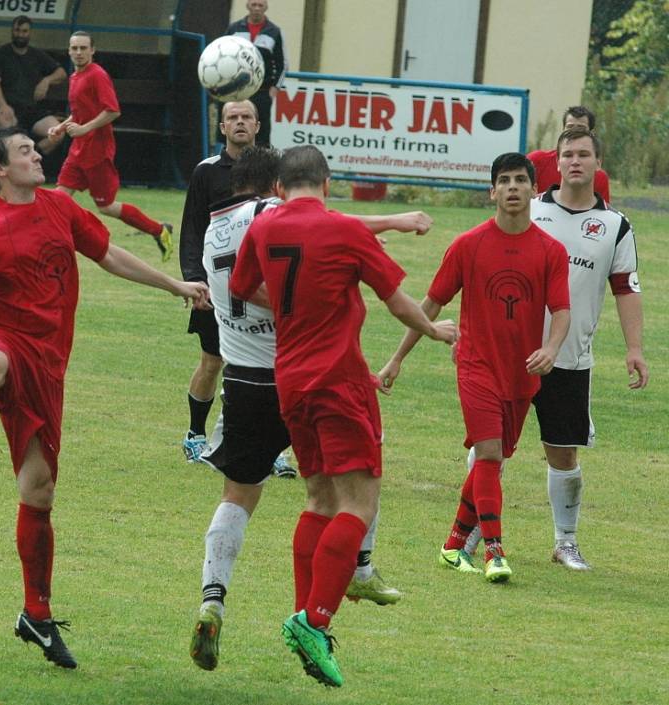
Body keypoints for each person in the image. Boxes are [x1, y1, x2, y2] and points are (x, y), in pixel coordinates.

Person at [0, 127, 209, 670]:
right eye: (25, 152)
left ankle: (37, 613)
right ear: (0, 172)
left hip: (48, 363)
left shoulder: (59, 207)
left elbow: (110, 255)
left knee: (39, 492)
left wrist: (176, 286)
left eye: (34, 148)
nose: (37, 155)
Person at [189, 146, 433, 671]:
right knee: (359, 504)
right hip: (337, 378)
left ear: (280, 187)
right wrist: (434, 329)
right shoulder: (344, 229)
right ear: (326, 182)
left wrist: (287, 303)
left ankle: (258, 605)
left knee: (316, 500)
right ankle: (316, 616)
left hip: (280, 380)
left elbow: (237, 286)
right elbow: (394, 296)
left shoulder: (242, 228)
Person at [378, 153, 571, 584]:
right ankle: (494, 551)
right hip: (475, 367)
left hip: (523, 373)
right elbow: (430, 306)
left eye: (521, 180)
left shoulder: (551, 251)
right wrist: (396, 358)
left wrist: (552, 349)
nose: (513, 188)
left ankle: (452, 545)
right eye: (504, 181)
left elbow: (561, 310)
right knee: (487, 454)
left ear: (534, 190)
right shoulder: (468, 245)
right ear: (492, 192)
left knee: (496, 459)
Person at [529, 126, 647, 569]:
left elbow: (626, 288)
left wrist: (634, 348)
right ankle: (477, 532)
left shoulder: (615, 226)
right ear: (555, 163)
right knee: (490, 446)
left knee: (563, 451)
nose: (575, 161)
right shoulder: (531, 210)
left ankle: (566, 542)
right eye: (567, 154)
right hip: (515, 352)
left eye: (583, 154)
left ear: (598, 165)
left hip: (569, 359)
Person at [180, 99, 297, 473]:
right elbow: (192, 230)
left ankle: (272, 446)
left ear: (258, 125)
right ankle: (196, 434)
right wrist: (194, 280)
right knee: (213, 361)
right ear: (222, 127)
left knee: (269, 366)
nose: (240, 122)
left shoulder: (274, 173)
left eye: (247, 116)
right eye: (233, 117)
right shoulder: (207, 172)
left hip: (263, 291)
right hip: (218, 289)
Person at [47, 31, 173, 262]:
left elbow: (113, 110)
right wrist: (62, 127)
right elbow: (78, 113)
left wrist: (85, 129)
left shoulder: (97, 75)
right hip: (78, 151)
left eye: (83, 48)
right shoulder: (75, 77)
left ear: (93, 50)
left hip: (97, 153)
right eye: (74, 48)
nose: (78, 52)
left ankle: (159, 230)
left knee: (106, 207)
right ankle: (51, 245)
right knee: (58, 199)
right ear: (68, 50)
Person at [0, 15, 68, 155]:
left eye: (24, 31)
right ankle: (3, 167)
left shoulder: (37, 55)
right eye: (17, 30)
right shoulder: (0, 53)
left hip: (31, 108)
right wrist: (3, 105)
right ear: (12, 31)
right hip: (5, 105)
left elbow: (61, 73)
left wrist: (46, 81)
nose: (20, 34)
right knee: (7, 128)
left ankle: (31, 157)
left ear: (30, 33)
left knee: (57, 132)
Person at [224, 0, 287, 146]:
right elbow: (224, 55)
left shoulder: (274, 31)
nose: (257, 9)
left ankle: (261, 165)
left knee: (260, 133)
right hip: (237, 91)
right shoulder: (234, 28)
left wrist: (275, 88)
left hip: (262, 92)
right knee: (233, 128)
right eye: (254, 5)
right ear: (248, 6)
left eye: (260, 5)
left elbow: (282, 64)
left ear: (266, 7)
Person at [528, 106, 611, 201]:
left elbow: (602, 211)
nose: (574, 132)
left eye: (581, 128)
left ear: (591, 133)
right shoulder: (537, 160)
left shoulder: (599, 176)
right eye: (570, 127)